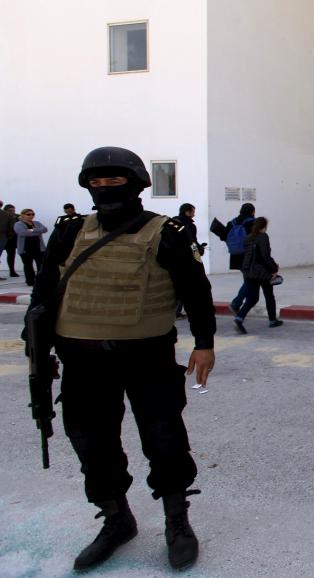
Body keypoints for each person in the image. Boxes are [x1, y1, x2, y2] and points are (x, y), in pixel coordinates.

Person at [27, 146, 216, 571]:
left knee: (164, 439)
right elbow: (45, 289)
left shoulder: (167, 232)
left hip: (146, 357)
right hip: (82, 361)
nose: (105, 187)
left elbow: (195, 291)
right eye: (96, 181)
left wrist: (204, 342)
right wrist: (35, 344)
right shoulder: (69, 231)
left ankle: (176, 520)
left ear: (137, 185)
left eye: (114, 180)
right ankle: (116, 519)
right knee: (91, 443)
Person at [233, 217, 282, 333]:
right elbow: (265, 256)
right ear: (264, 226)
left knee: (252, 298)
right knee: (269, 296)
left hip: (249, 272)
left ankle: (239, 318)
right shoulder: (263, 237)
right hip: (262, 272)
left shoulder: (248, 237)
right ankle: (272, 320)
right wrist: (274, 268)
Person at [174, 204, 204, 319]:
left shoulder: (171, 223)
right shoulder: (189, 225)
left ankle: (175, 311)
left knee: (177, 286)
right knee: (187, 286)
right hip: (186, 261)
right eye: (192, 212)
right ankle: (180, 311)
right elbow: (192, 243)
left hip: (173, 260)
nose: (194, 214)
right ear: (187, 212)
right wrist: (198, 257)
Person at [226, 203, 256, 317]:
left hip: (235, 255)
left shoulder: (232, 222)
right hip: (248, 255)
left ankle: (247, 302)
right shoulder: (252, 223)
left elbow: (225, 236)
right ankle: (237, 303)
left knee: (247, 278)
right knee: (250, 280)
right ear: (252, 211)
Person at [14, 208, 48, 286]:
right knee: (28, 265)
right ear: (23, 215)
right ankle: (30, 281)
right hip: (25, 248)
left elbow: (45, 229)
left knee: (41, 265)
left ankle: (40, 280)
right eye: (28, 214)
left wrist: (31, 230)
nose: (31, 216)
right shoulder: (18, 224)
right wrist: (37, 231)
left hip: (38, 247)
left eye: (33, 214)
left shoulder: (37, 223)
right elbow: (22, 232)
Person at [3, 204, 19, 277]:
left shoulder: (18, 217)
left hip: (12, 239)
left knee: (11, 255)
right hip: (3, 238)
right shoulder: (2, 216)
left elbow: (28, 228)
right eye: (10, 211)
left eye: (13, 210)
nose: (12, 212)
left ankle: (12, 271)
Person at [0, 200, 12, 280]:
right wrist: (8, 236)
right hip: (2, 237)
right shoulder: (7, 215)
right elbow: (11, 228)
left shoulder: (7, 214)